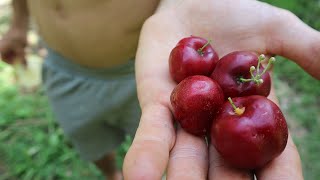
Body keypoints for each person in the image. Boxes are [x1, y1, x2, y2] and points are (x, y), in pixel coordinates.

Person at [1, 0, 319, 179]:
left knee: (154, 137)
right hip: (64, 69)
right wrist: (18, 23)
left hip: (138, 67)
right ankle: (110, 172)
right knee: (88, 135)